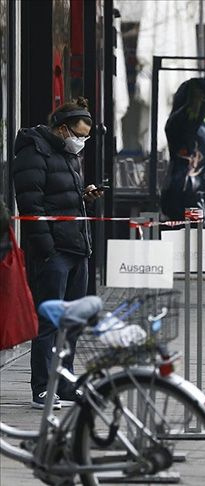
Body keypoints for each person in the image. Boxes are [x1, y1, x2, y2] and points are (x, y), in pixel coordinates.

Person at [12, 97, 103, 410]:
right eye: (78, 134)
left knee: (72, 322)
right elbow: (31, 206)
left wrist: (84, 195)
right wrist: (47, 251)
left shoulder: (66, 154)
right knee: (49, 322)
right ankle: (43, 387)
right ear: (62, 129)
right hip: (54, 252)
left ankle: (65, 383)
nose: (81, 142)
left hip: (77, 247)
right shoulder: (33, 150)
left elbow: (61, 197)